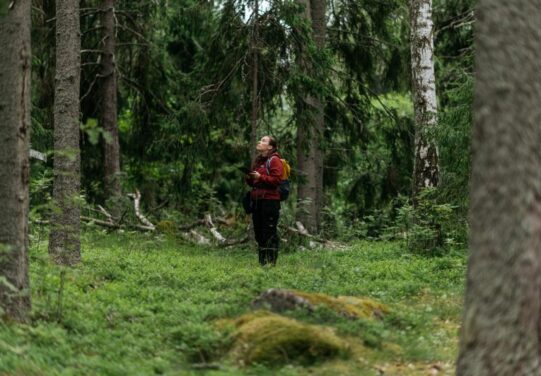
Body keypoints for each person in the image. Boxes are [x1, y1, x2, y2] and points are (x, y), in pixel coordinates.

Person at [246, 135, 283, 266]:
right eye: (260, 139)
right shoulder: (259, 161)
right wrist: (249, 177)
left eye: (263, 141)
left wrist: (260, 177)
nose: (260, 142)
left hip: (270, 202)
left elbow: (277, 180)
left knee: (269, 233)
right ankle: (262, 263)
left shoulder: (274, 160)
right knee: (259, 233)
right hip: (257, 202)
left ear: (270, 146)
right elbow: (254, 183)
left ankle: (271, 263)